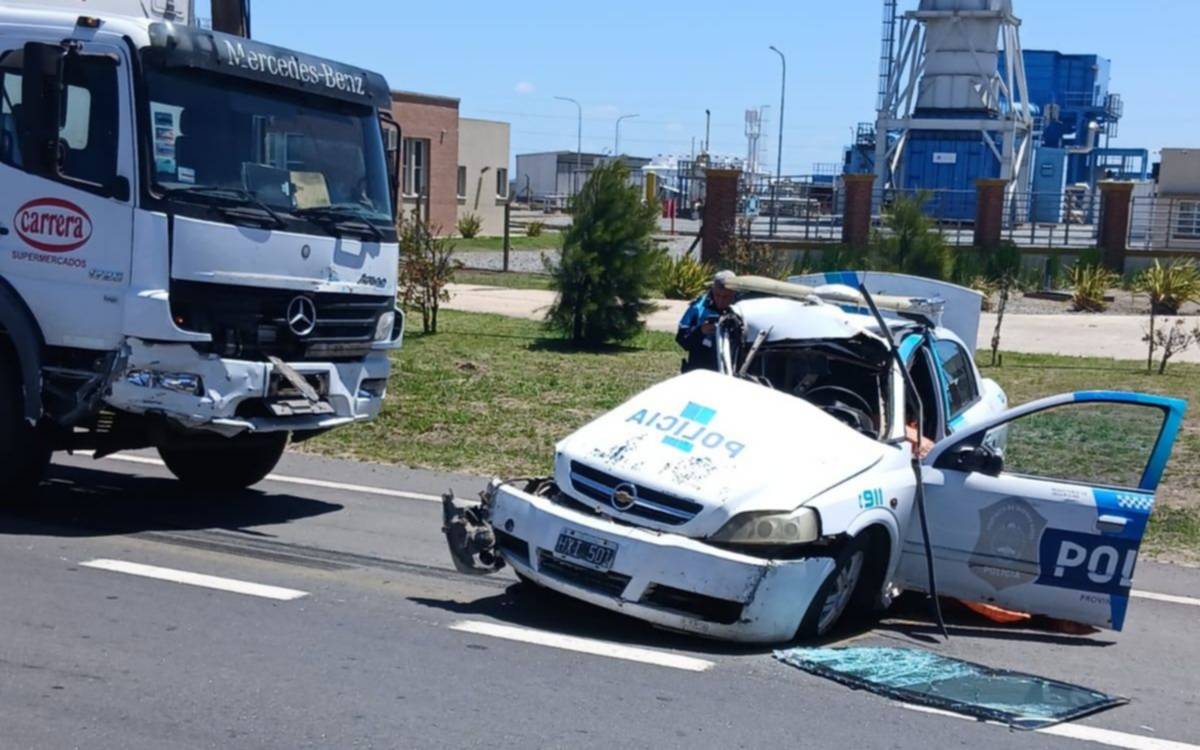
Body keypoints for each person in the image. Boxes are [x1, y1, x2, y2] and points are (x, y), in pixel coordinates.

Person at [676, 270, 736, 373]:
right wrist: (700, 331)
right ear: (712, 289)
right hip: (702, 370)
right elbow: (682, 339)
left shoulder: (740, 308)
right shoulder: (698, 307)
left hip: (732, 369)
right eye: (717, 295)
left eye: (726, 297)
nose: (721, 301)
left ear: (734, 293)